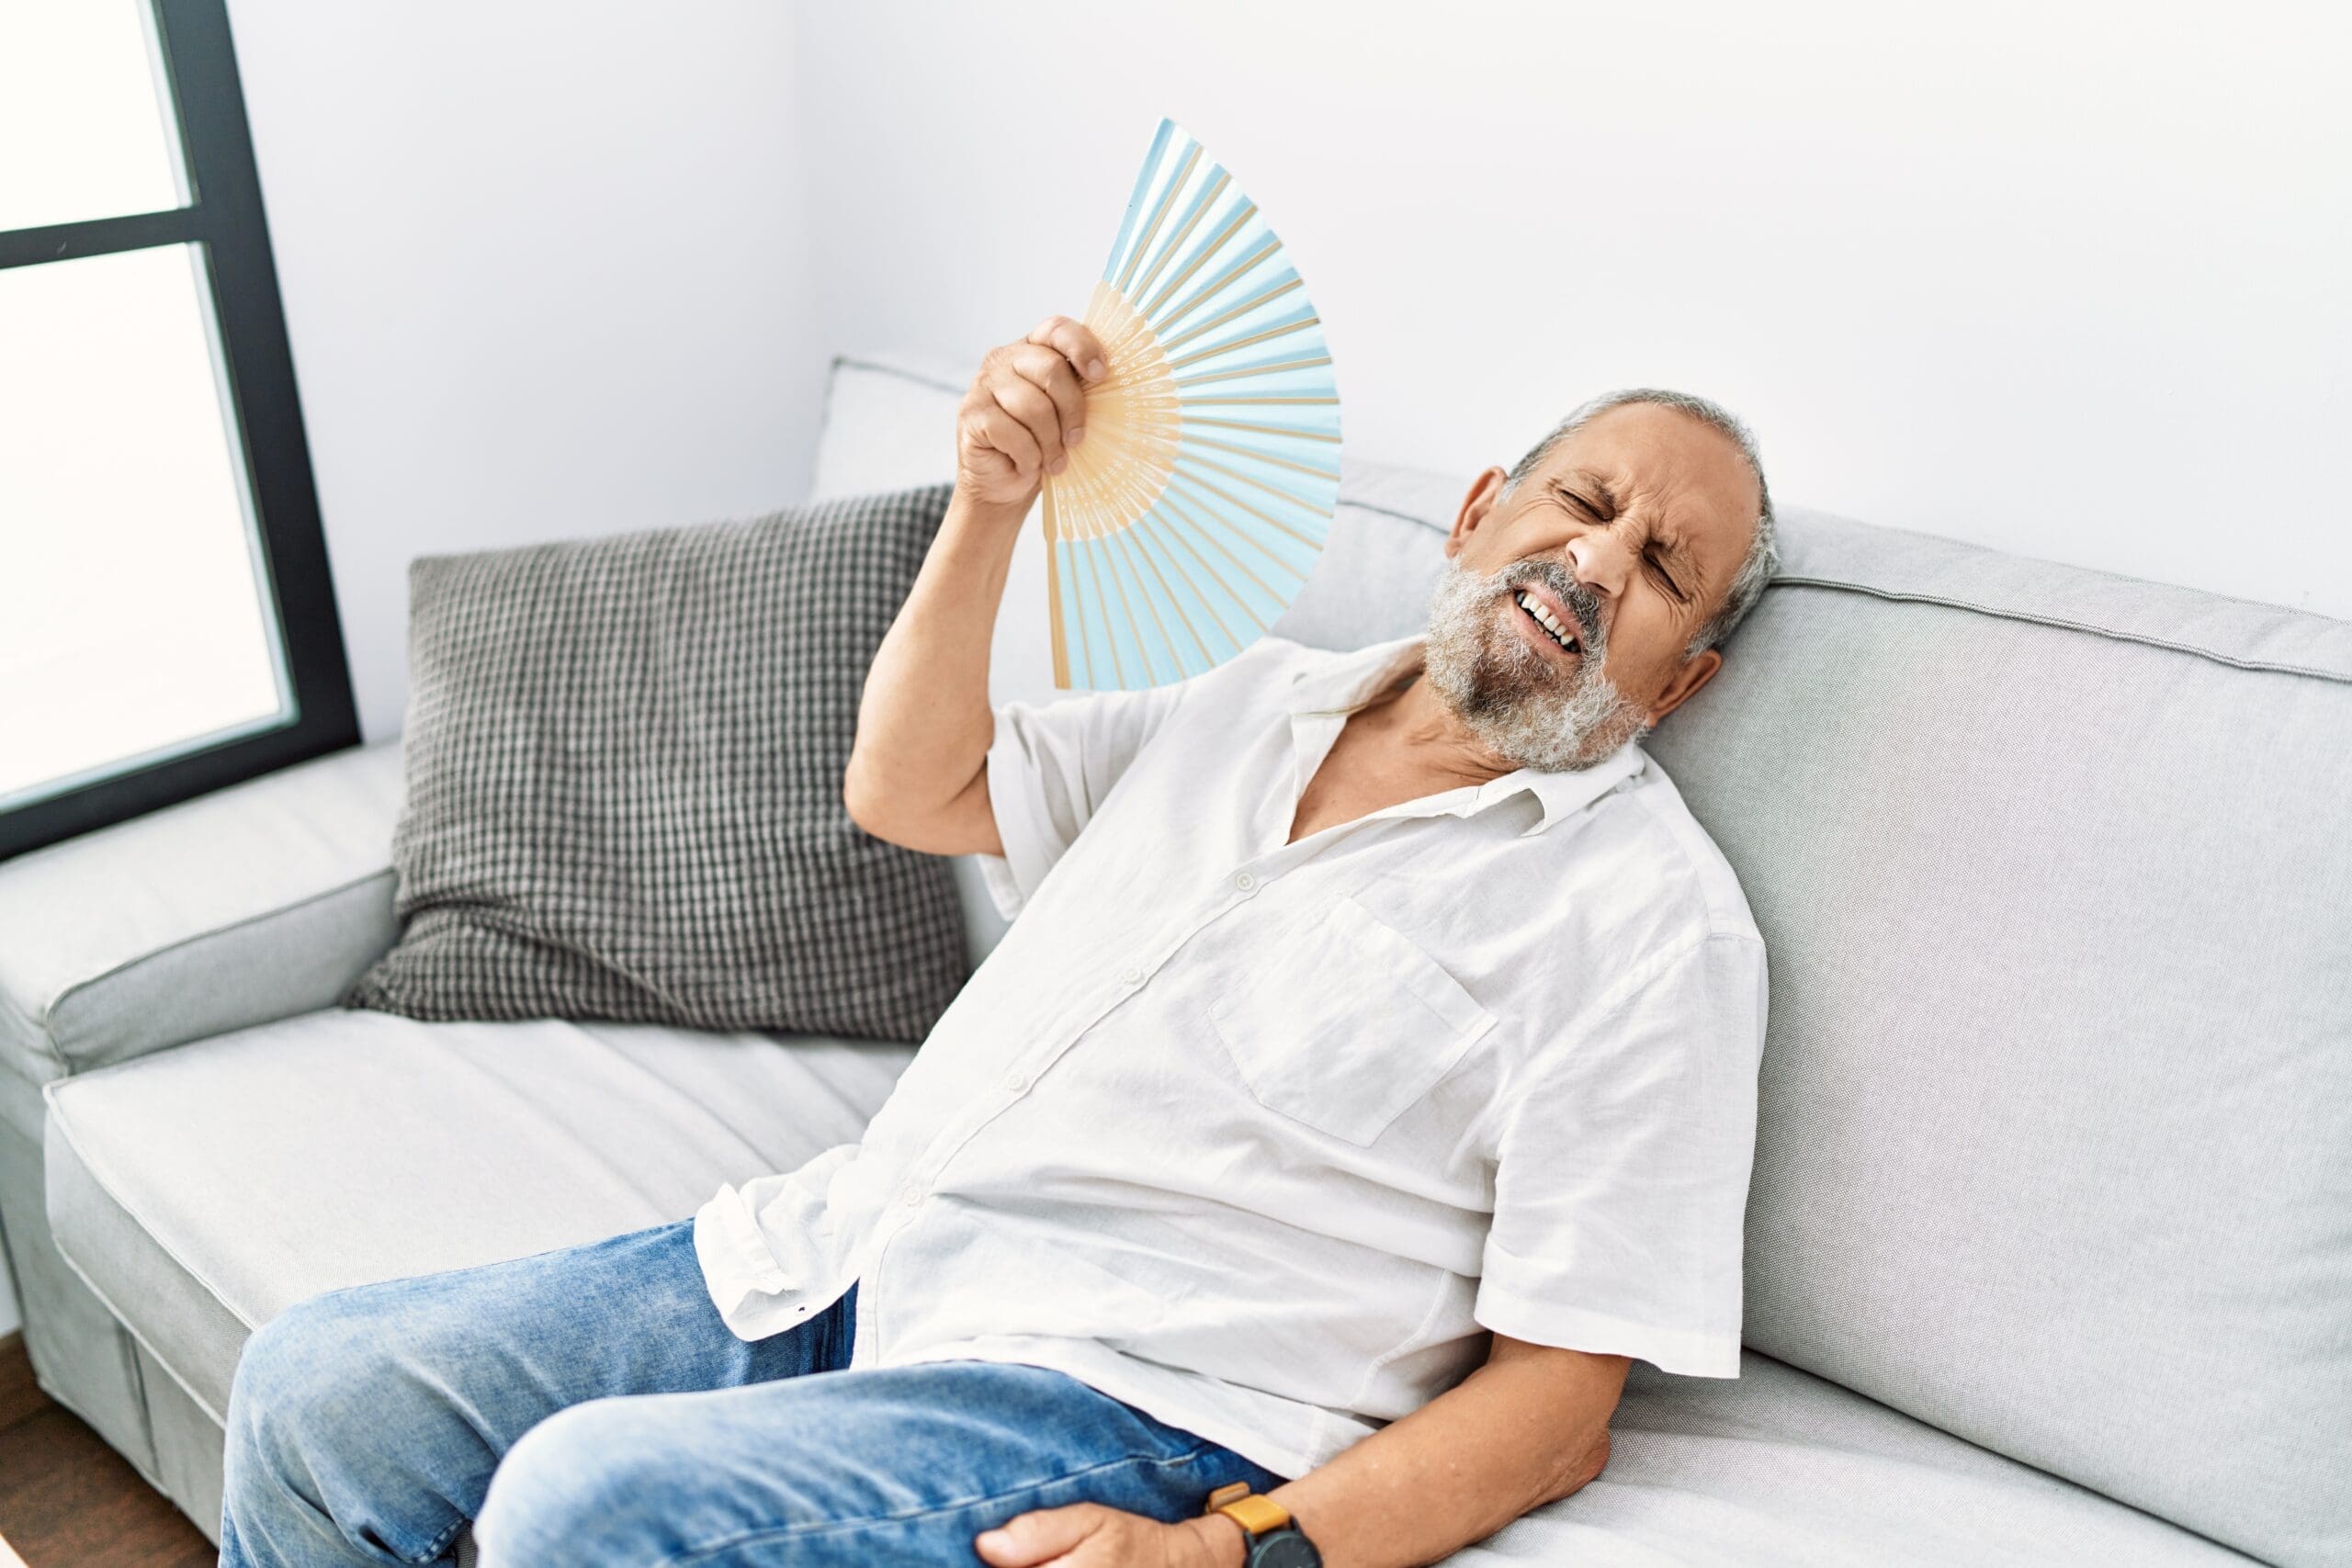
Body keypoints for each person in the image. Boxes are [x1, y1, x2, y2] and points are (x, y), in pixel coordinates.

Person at [219, 313, 1777, 1568]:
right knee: (318, 1394)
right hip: (838, 1253)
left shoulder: (1650, 926)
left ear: (1676, 685)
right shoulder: (1252, 699)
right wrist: (990, 506)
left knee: (588, 1509)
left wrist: (1238, 1557)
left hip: (1120, 1389)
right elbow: (914, 786)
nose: (1598, 559)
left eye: (1663, 569)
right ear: (1480, 512)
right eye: (1585, 502)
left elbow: (1562, 1405)